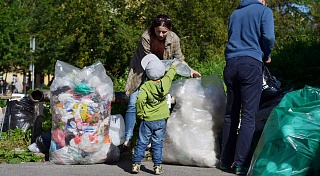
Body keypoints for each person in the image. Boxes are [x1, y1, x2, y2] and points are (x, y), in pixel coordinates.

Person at [123, 14, 201, 151]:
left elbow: (179, 59)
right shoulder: (145, 38)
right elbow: (150, 63)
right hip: (142, 71)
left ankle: (152, 141)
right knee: (133, 101)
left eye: (164, 32)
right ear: (153, 28)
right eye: (158, 31)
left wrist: (190, 70)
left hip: (162, 72)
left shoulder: (174, 38)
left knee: (160, 102)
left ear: (169, 30)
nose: (160, 34)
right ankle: (127, 139)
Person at [219, 0, 275, 175]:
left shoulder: (235, 14)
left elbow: (232, 36)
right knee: (249, 116)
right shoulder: (264, 11)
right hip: (250, 64)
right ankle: (240, 163)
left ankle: (225, 160)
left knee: (231, 115)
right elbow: (268, 37)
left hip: (231, 64)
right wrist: (267, 54)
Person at [131, 54, 178, 175]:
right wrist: (173, 66)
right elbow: (171, 74)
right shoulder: (166, 82)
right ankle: (157, 166)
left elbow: (140, 99)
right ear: (162, 71)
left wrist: (140, 113)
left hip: (147, 120)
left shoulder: (146, 86)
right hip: (161, 120)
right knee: (157, 143)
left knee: (142, 142)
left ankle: (136, 164)